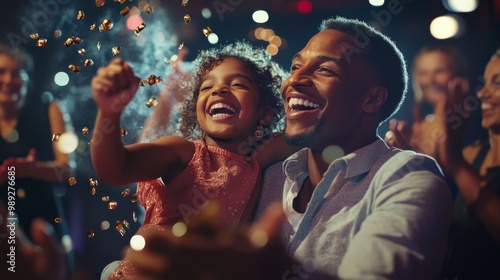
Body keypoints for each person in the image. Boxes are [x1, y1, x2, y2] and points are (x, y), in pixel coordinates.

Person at [122, 16, 454, 279]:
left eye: (324, 69)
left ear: (372, 99)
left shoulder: (407, 179)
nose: (294, 80)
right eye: (295, 67)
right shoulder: (263, 175)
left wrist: (267, 268)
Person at [90, 42, 299, 278]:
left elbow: (312, 132)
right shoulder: (182, 152)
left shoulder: (258, 155)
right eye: (206, 87)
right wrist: (109, 112)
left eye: (238, 84)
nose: (218, 90)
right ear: (196, 109)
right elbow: (115, 170)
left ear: (265, 112)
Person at [436, 48, 500, 280]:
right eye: (485, 83)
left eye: (498, 83)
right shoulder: (472, 155)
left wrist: (457, 165)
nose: (482, 93)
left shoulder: (463, 161)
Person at [0, 44, 72, 245]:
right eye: (1, 72)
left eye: (16, 73)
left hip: (44, 222)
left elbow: (66, 170)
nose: (7, 80)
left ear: (26, 79)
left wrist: (31, 169)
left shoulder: (50, 110)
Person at [387, 45, 468, 160]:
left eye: (439, 71)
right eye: (423, 73)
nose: (431, 80)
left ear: (458, 73)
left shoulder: (474, 120)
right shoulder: (411, 122)